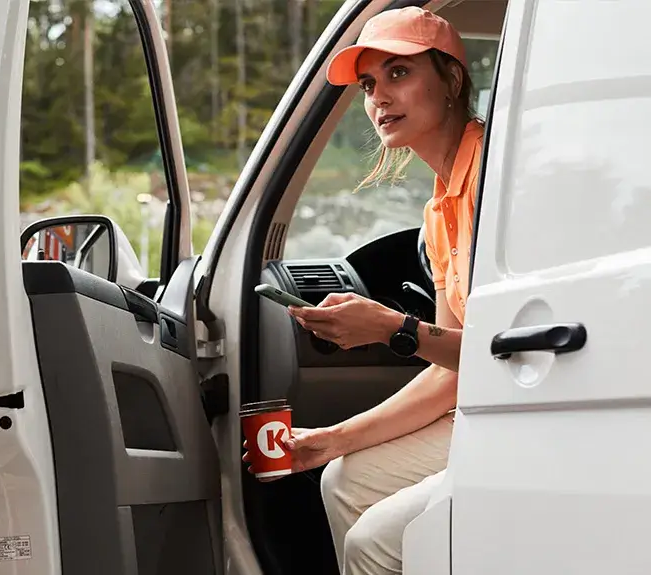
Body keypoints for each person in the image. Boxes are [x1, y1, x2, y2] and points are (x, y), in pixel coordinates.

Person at [242, 7, 484, 575]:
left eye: (399, 73)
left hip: (529, 415)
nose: (378, 97)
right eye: (370, 84)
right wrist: (330, 439)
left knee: (371, 542)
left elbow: (499, 352)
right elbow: (456, 367)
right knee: (345, 478)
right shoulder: (438, 208)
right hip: (485, 407)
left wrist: (394, 330)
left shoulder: (495, 175)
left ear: (450, 79)